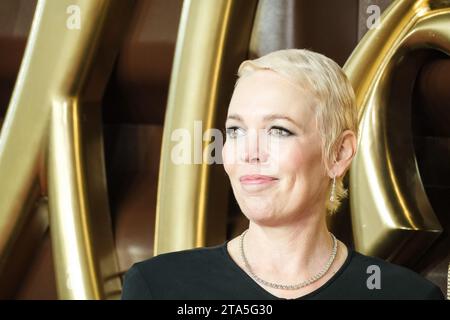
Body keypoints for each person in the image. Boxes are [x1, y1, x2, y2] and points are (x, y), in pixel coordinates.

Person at [121, 49, 444, 300]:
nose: (251, 152)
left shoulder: (405, 295)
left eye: (278, 130)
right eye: (235, 130)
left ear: (339, 153)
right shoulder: (158, 287)